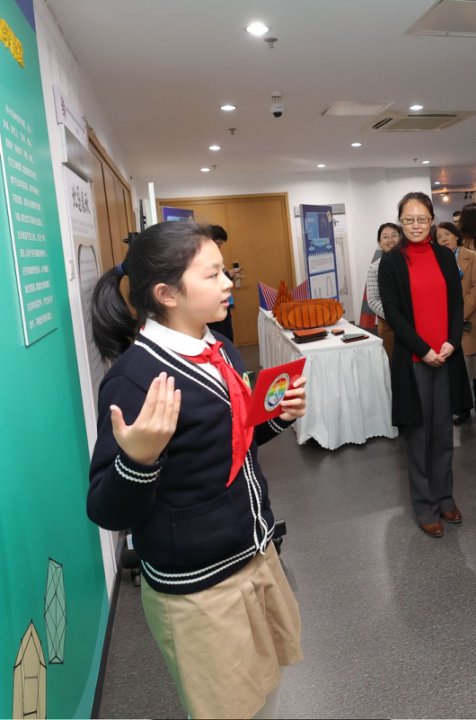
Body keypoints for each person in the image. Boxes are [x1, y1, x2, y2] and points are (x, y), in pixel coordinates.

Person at [86, 221, 307, 719]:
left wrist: (279, 418)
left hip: (253, 553)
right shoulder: (135, 379)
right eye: (212, 275)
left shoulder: (221, 348)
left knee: (266, 697)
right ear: (166, 294)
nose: (229, 282)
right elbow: (105, 509)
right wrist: (139, 459)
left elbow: (229, 444)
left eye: (224, 270)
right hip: (201, 587)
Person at [379, 192, 472, 538]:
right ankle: (424, 506)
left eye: (422, 219)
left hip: (446, 356)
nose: (415, 225)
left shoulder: (445, 256)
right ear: (400, 222)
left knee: (444, 435)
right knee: (419, 438)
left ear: (432, 220)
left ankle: (445, 497)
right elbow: (394, 315)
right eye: (408, 220)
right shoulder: (391, 262)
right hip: (415, 361)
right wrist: (424, 349)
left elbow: (457, 302)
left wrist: (452, 340)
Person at [435, 221, 476, 425]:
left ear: (456, 236)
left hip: (473, 319)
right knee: (458, 370)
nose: (443, 239)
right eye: (439, 237)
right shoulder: (436, 261)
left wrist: (460, 315)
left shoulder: (470, 256)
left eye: (447, 234)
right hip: (447, 322)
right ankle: (462, 409)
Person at [365, 222, 403, 357]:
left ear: (401, 238)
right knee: (393, 361)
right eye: (385, 237)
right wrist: (395, 316)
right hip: (388, 323)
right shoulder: (374, 267)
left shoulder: (410, 263)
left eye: (394, 235)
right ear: (380, 243)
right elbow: (373, 300)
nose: (390, 240)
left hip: (414, 321)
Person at [206, 224, 235, 341]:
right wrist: (227, 275)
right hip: (213, 305)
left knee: (227, 336)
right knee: (219, 336)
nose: (220, 247)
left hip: (223, 302)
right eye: (218, 243)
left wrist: (228, 275)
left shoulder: (216, 257)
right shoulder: (204, 260)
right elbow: (212, 281)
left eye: (221, 244)